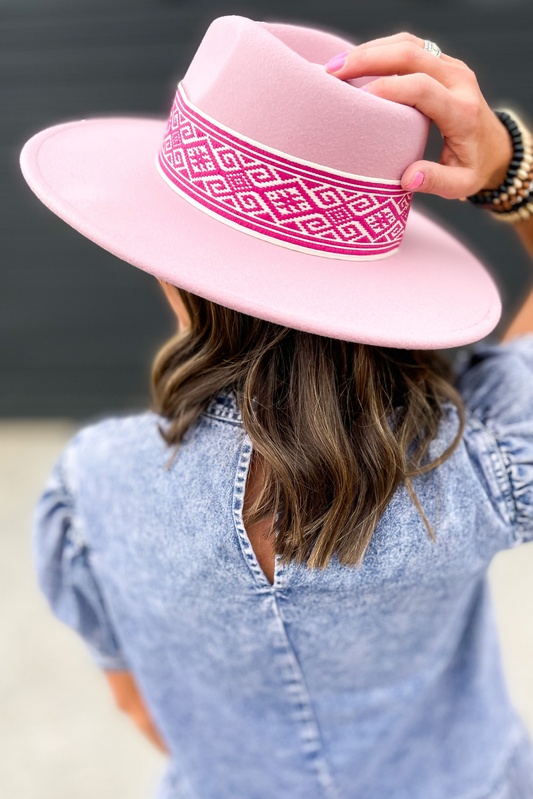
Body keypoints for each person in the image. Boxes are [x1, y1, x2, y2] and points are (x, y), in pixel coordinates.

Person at [24, 16, 533, 799]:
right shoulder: (474, 455)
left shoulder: (93, 485)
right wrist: (510, 174)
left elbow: (138, 702)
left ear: (173, 269)